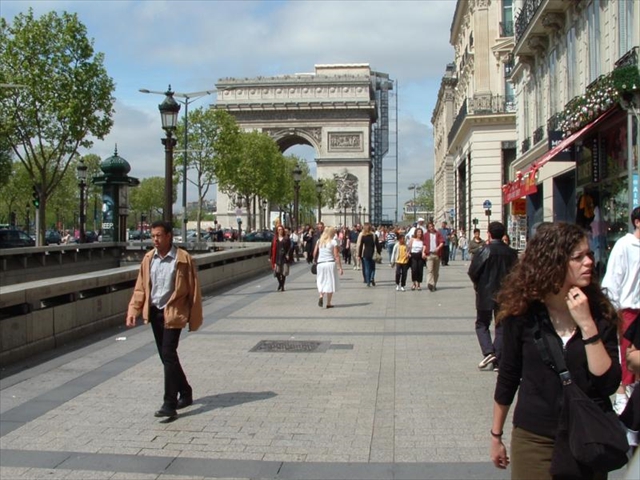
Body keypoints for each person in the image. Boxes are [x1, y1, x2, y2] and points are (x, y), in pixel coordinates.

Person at [490, 222, 621, 479]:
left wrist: (586, 325)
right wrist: (496, 435)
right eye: (578, 257)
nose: (588, 262)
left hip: (588, 435)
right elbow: (508, 375)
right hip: (535, 437)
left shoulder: (599, 312)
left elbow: (608, 382)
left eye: (590, 255)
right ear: (554, 263)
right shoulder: (523, 314)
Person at [126, 220, 203, 419]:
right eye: (153, 236)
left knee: (169, 353)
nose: (155, 240)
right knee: (166, 356)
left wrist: (194, 317)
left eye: (159, 236)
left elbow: (193, 291)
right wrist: (133, 310)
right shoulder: (149, 259)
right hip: (155, 312)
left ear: (169, 236)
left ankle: (169, 404)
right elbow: (141, 287)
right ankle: (185, 391)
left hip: (174, 312)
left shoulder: (183, 259)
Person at [602, 206, 640, 414]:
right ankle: (622, 394)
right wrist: (612, 311)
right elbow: (613, 279)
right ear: (637, 222)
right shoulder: (625, 245)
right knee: (626, 354)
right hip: (628, 310)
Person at [467, 221, 518, 371]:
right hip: (505, 293)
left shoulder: (483, 251)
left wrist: (478, 285)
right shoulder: (511, 253)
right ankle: (497, 356)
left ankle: (489, 352)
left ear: (489, 233)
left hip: (486, 293)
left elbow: (473, 271)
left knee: (482, 323)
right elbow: (517, 273)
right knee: (501, 325)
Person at [313, 226, 343, 308]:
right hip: (330, 263)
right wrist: (340, 267)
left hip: (320, 264)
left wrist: (315, 260)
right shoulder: (333, 242)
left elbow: (314, 253)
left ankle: (321, 295)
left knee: (321, 280)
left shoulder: (319, 241)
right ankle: (328, 303)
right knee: (330, 282)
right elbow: (336, 256)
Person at [270, 224, 293, 292]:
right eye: (279, 229)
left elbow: (290, 247)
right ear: (277, 230)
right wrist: (270, 256)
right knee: (277, 272)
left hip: (284, 257)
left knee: (284, 272)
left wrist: (288, 254)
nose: (280, 231)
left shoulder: (286, 238)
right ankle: (280, 283)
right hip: (277, 257)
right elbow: (271, 248)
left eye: (281, 229)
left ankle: (282, 286)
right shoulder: (275, 239)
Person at [423, 221, 445, 292]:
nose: (431, 228)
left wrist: (438, 248)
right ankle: (430, 283)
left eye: (432, 226)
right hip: (429, 255)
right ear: (428, 228)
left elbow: (442, 242)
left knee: (436, 272)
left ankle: (434, 284)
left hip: (437, 255)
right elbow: (424, 244)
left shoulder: (438, 234)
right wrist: (423, 252)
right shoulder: (426, 235)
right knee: (430, 270)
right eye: (429, 227)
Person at [358, 223, 378, 287]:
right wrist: (379, 252)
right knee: (373, 268)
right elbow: (377, 245)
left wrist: (359, 255)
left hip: (365, 253)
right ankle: (372, 277)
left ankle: (368, 282)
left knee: (367, 268)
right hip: (372, 253)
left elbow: (361, 246)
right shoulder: (374, 236)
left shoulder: (363, 236)